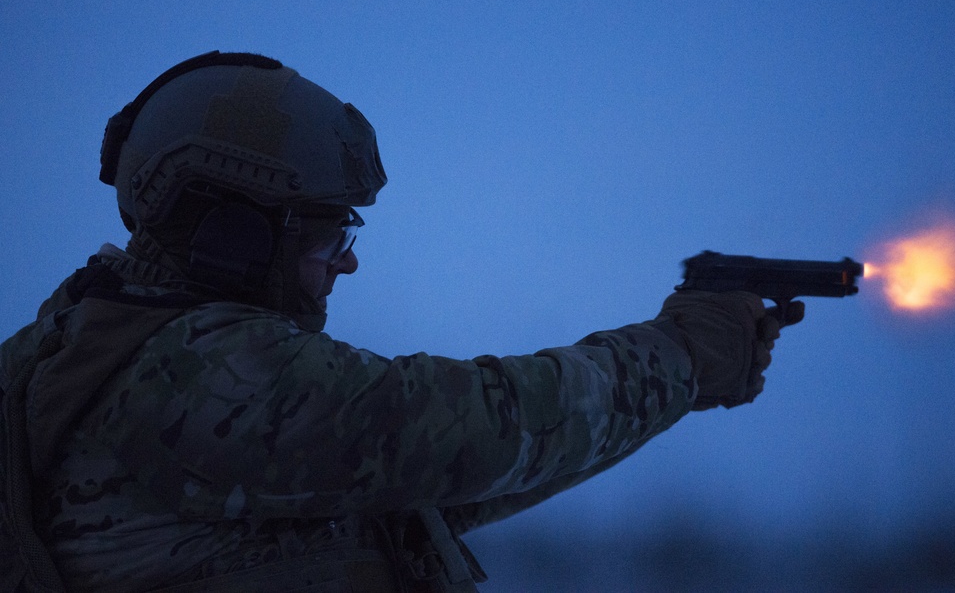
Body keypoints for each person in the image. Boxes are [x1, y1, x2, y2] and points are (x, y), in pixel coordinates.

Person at [0, 51, 802, 592]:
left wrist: (675, 382)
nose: (344, 262)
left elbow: (435, 484)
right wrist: (681, 356)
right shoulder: (196, 373)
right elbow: (467, 431)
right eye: (321, 233)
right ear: (229, 230)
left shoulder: (93, 345)